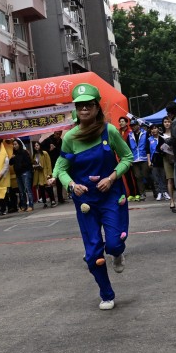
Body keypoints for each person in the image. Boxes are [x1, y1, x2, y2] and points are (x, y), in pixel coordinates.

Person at [52, 83, 133, 310]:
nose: (84, 110)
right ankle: (106, 294)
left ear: (97, 107)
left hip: (110, 196)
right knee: (93, 252)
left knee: (114, 244)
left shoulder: (110, 131)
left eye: (88, 105)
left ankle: (117, 253)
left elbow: (127, 157)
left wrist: (112, 177)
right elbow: (62, 168)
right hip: (86, 201)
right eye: (80, 106)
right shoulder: (70, 137)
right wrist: (72, 185)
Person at [125, 119, 149, 202]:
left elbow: (148, 145)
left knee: (146, 175)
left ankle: (156, 191)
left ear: (138, 125)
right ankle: (142, 194)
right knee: (138, 177)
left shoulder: (145, 133)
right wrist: (130, 160)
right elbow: (128, 148)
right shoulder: (130, 135)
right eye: (131, 126)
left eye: (134, 125)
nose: (133, 127)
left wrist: (149, 157)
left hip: (144, 157)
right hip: (134, 159)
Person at [40, 130, 66, 204]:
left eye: (59, 134)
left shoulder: (61, 141)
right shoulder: (48, 140)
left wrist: (55, 148)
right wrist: (49, 150)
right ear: (54, 133)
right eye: (57, 134)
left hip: (58, 162)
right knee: (50, 180)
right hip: (50, 163)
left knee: (59, 181)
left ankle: (60, 198)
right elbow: (40, 148)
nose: (58, 135)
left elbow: (62, 151)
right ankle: (52, 199)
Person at [10, 141, 34, 212]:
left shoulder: (24, 152)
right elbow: (10, 163)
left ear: (19, 144)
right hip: (18, 174)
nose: (14, 146)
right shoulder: (14, 154)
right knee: (21, 191)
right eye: (13, 144)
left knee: (27, 189)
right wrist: (12, 158)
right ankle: (23, 206)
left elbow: (28, 163)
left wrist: (20, 165)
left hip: (25, 172)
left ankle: (30, 205)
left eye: (16, 144)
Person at [147, 124, 169, 201]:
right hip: (154, 160)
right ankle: (159, 192)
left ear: (158, 129)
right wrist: (149, 161)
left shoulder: (162, 138)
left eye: (155, 128)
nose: (153, 130)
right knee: (156, 177)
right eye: (152, 129)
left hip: (162, 159)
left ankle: (165, 192)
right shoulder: (149, 139)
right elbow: (148, 151)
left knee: (163, 176)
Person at [31, 141, 56, 206]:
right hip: (38, 173)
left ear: (40, 146)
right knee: (41, 188)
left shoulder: (44, 153)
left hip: (45, 173)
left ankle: (52, 200)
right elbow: (34, 163)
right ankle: (44, 202)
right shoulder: (34, 155)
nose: (36, 147)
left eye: (37, 145)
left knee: (48, 187)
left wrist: (49, 174)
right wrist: (34, 166)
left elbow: (48, 163)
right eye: (35, 146)